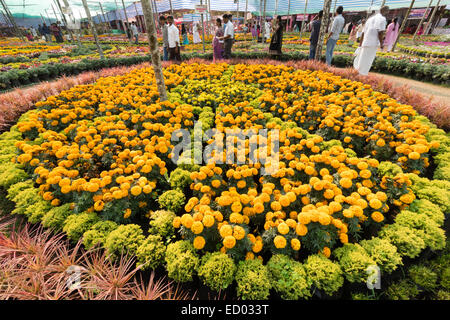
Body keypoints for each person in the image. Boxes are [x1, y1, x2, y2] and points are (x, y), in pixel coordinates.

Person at [354, 6, 389, 76]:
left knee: (362, 60)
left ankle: (358, 75)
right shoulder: (382, 19)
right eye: (388, 11)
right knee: (367, 61)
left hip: (365, 42)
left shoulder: (370, 19)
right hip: (372, 43)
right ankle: (362, 76)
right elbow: (380, 32)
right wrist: (382, 44)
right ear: (386, 11)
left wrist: (360, 44)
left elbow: (363, 33)